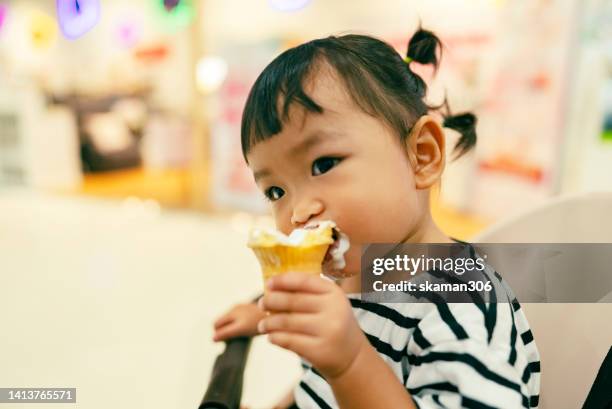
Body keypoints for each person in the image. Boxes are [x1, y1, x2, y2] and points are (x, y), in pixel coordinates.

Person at [213, 28, 541, 409]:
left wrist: (351, 363)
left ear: (422, 156)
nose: (298, 211)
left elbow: (343, 371)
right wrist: (266, 313)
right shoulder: (356, 273)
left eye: (323, 164)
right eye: (275, 191)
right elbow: (318, 383)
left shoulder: (459, 310)